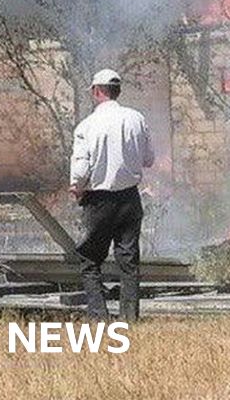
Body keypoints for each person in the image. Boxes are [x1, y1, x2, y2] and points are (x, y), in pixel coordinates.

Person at [69, 69, 154, 321]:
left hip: (99, 201)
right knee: (128, 261)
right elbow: (149, 159)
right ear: (118, 91)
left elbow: (81, 167)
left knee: (89, 258)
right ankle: (129, 319)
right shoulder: (136, 119)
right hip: (130, 199)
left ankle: (99, 318)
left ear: (97, 91)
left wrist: (76, 185)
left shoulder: (87, 125)